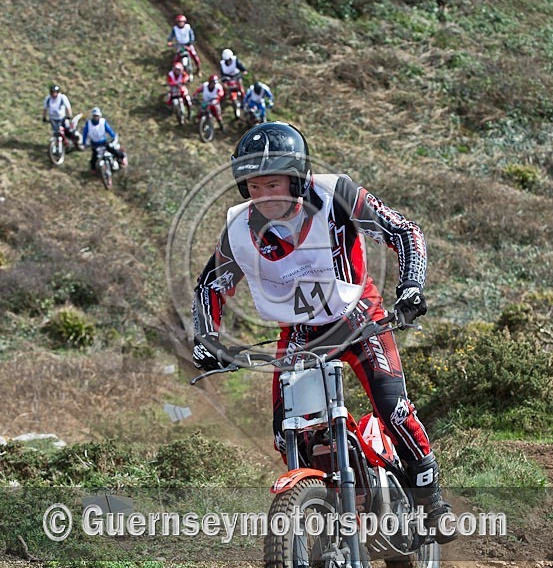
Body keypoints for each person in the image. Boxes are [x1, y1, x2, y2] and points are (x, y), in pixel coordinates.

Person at [192, 121, 457, 544]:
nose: (264, 196)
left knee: (394, 410)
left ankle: (429, 498)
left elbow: (403, 232)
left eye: (273, 183)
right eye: (254, 187)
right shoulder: (240, 229)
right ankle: (329, 495)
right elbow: (211, 284)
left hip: (360, 316)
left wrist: (410, 287)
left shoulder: (337, 195)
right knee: (286, 432)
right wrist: (206, 340)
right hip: (302, 333)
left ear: (296, 179)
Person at [82, 107, 127, 172]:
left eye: (97, 116)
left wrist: (113, 136)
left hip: (103, 142)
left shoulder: (103, 122)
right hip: (94, 144)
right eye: (94, 116)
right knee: (94, 157)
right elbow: (85, 134)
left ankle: (122, 158)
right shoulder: (88, 124)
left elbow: (109, 130)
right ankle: (93, 169)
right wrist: (84, 143)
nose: (95, 117)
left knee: (112, 150)